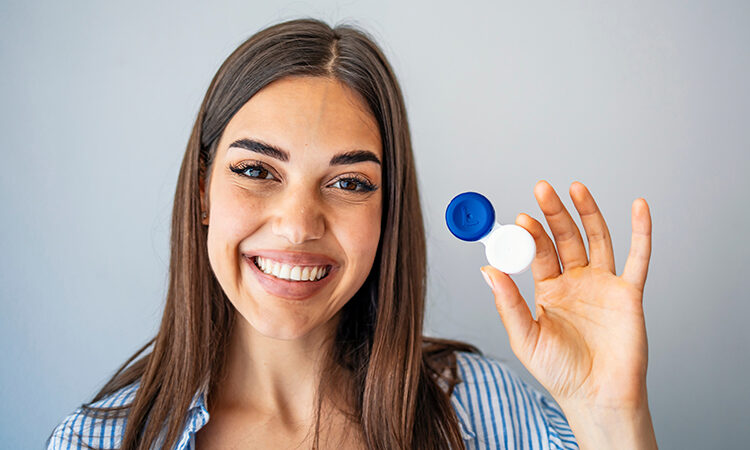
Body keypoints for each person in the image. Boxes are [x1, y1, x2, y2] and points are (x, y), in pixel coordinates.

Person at [46, 18, 657, 450]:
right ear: (203, 190)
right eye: (257, 171)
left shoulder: (487, 415)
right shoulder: (91, 443)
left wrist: (610, 416)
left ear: (387, 209)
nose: (297, 226)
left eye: (349, 183)